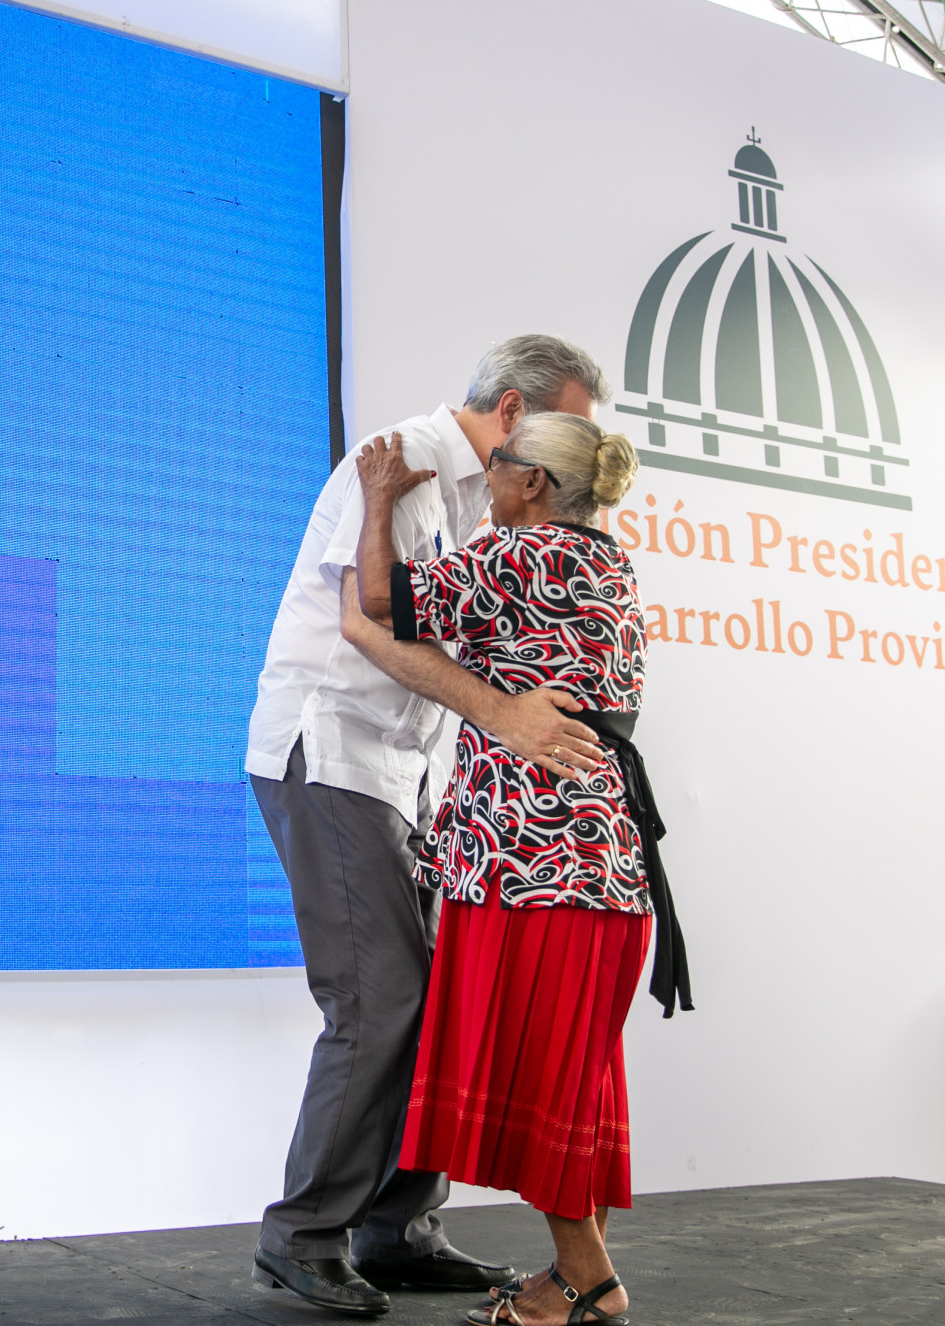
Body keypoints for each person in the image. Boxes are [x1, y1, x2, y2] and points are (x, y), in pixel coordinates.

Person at [246, 336, 615, 1317]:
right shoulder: (403, 461)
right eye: (562, 431)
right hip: (331, 751)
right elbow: (372, 619)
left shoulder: (493, 503)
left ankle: (397, 1231)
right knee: (380, 998)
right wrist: (503, 716)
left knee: (436, 997)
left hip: (405, 776)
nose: (568, 462)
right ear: (511, 413)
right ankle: (302, 1236)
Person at [343, 412, 691, 1326]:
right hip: (607, 871)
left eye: (497, 463)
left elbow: (378, 600)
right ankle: (573, 1278)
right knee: (577, 1080)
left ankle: (588, 1280)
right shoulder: (610, 563)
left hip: (529, 865)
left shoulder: (518, 556)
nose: (486, 474)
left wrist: (377, 502)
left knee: (537, 1075)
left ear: (532, 482)